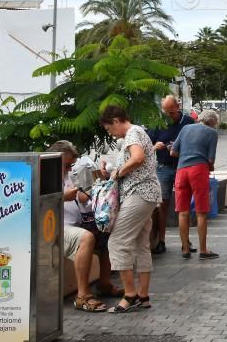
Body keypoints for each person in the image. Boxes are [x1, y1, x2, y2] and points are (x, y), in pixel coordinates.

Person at [98, 106, 162, 313]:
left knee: (117, 241)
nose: (110, 132)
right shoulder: (138, 132)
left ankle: (130, 294)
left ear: (116, 120)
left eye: (109, 128)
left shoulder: (133, 133)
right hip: (148, 194)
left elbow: (138, 158)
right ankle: (143, 296)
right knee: (140, 244)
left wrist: (118, 173)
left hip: (139, 193)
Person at [54, 140, 123, 313]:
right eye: (67, 165)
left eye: (71, 165)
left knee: (106, 231)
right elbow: (37, 202)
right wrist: (63, 197)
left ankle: (104, 283)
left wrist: (89, 194)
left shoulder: (64, 175)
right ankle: (82, 295)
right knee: (86, 237)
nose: (69, 169)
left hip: (75, 222)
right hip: (56, 228)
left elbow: (77, 199)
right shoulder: (43, 175)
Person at [170, 109, 220, 260]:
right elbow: (210, 160)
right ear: (213, 123)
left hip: (181, 171)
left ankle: (185, 248)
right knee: (201, 212)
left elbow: (173, 152)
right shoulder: (212, 133)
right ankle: (203, 250)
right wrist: (207, 165)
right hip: (198, 171)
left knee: (183, 211)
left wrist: (186, 154)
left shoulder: (185, 128)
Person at [147, 96, 195, 255]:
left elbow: (193, 143)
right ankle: (161, 240)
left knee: (184, 205)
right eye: (166, 113)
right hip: (163, 167)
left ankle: (185, 241)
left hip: (183, 166)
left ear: (178, 106)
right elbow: (146, 146)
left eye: (172, 112)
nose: (169, 116)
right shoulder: (157, 123)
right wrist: (155, 146)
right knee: (163, 205)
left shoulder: (187, 122)